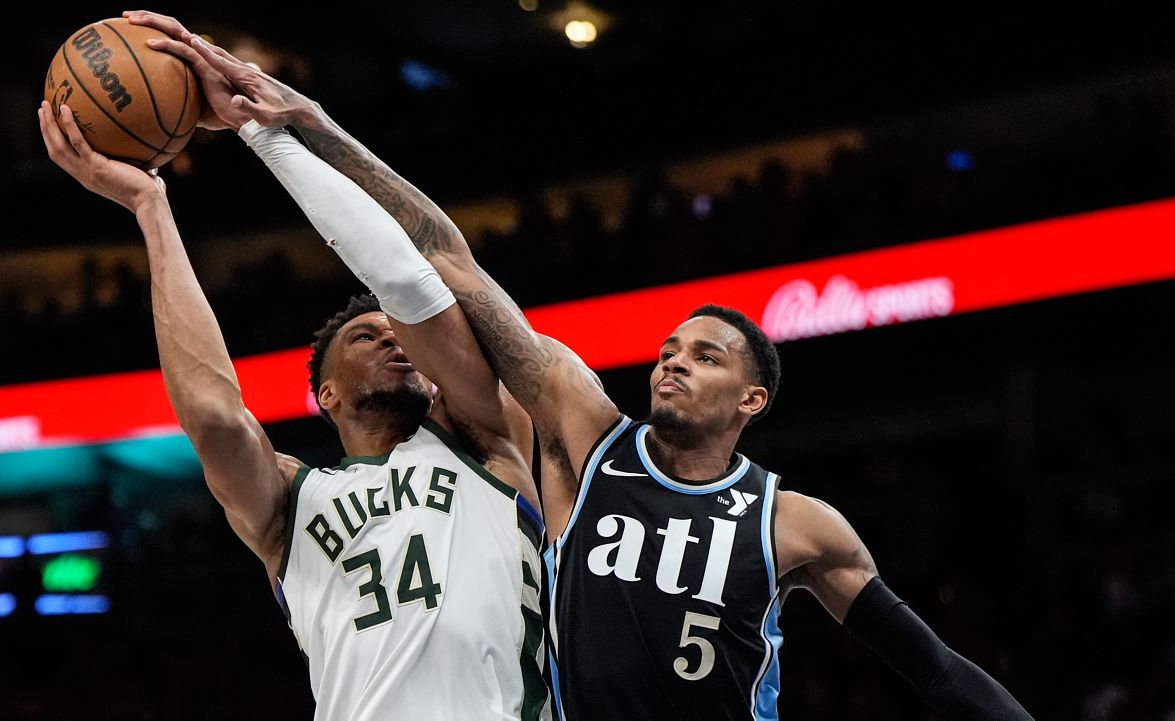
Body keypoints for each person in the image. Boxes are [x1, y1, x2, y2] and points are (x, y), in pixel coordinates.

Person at [134, 11, 1033, 719]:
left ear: (753, 397)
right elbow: (443, 260)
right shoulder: (583, 442)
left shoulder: (793, 523)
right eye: (669, 348)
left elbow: (934, 669)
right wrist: (306, 125)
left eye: (705, 353)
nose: (673, 363)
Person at [37, 42, 549, 721]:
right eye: (366, 337)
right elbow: (217, 418)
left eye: (397, 334)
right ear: (325, 394)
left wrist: (268, 127)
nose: (392, 337)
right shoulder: (290, 501)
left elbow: (418, 274)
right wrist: (151, 210)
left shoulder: (490, 440)